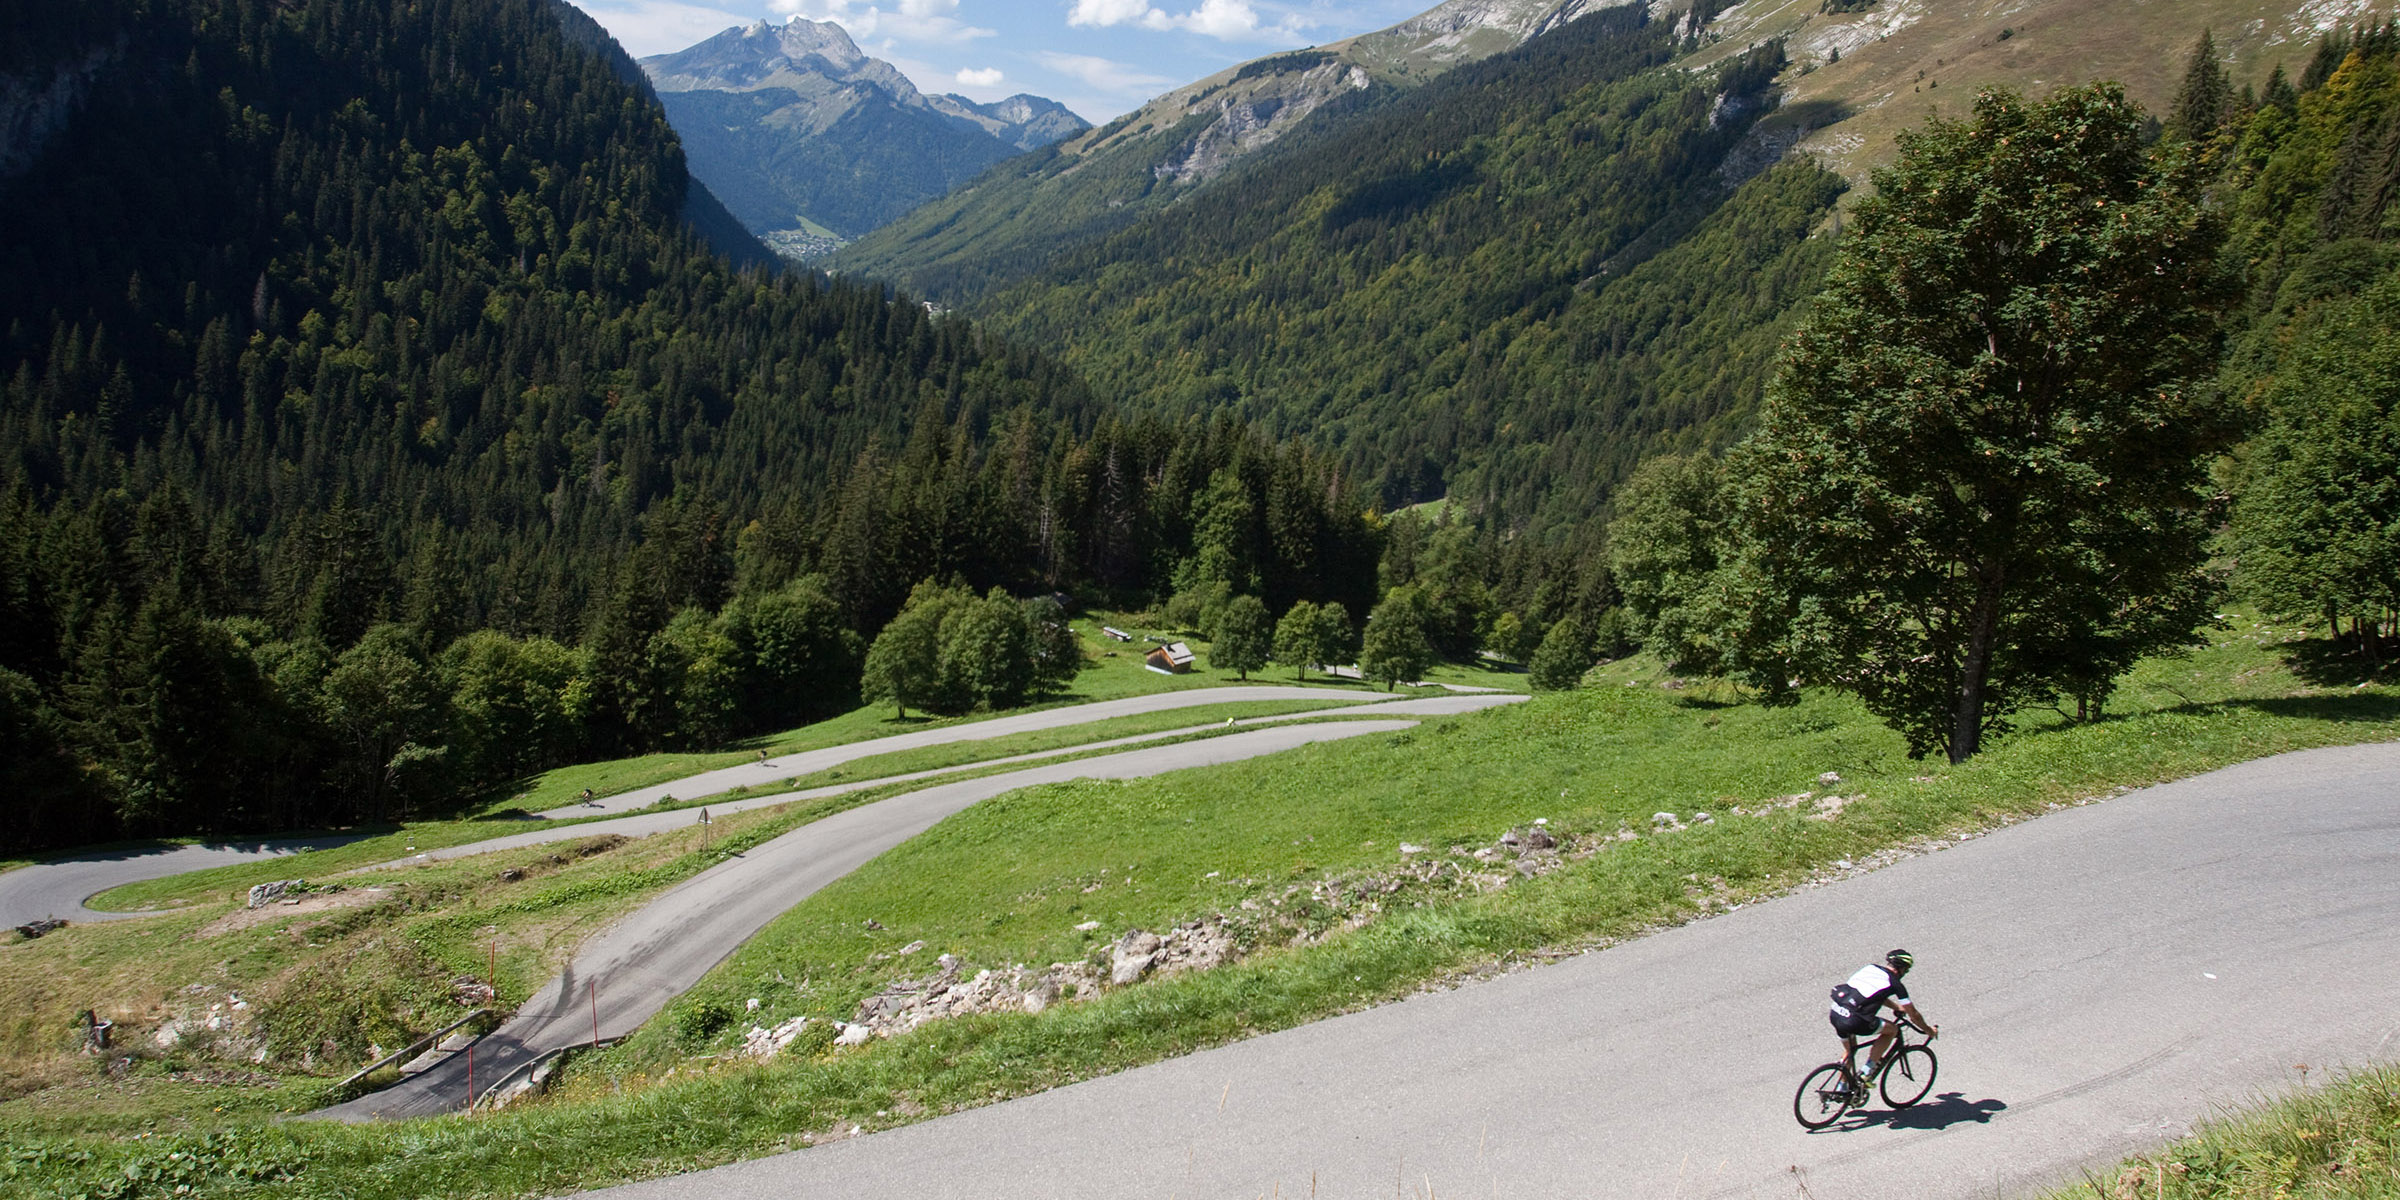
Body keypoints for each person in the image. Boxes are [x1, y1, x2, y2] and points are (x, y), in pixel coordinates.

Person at [1828, 948, 1936, 1087]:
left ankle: (1841, 1088)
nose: (1906, 973)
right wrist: (1928, 1030)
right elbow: (1913, 1015)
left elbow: (1874, 994)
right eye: (1906, 970)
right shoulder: (1895, 984)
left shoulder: (1870, 968)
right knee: (1892, 1030)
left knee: (1850, 1051)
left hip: (1836, 1012)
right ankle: (1866, 1073)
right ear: (1901, 968)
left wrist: (1896, 1007)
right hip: (1854, 1020)